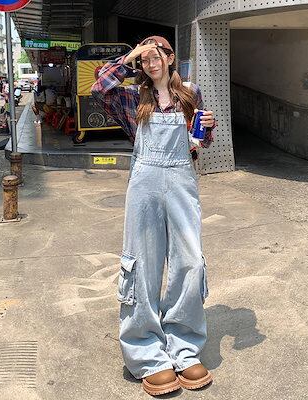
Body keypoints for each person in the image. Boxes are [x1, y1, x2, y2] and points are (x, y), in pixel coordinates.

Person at [92, 36, 216, 396]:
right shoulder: (133, 97)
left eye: (157, 54)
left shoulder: (190, 94)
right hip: (144, 184)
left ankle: (184, 347)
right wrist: (131, 55)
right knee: (142, 263)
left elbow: (200, 142)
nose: (151, 62)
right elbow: (99, 87)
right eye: (145, 58)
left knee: (189, 261)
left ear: (170, 58)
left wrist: (207, 127)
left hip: (182, 181)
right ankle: (146, 352)